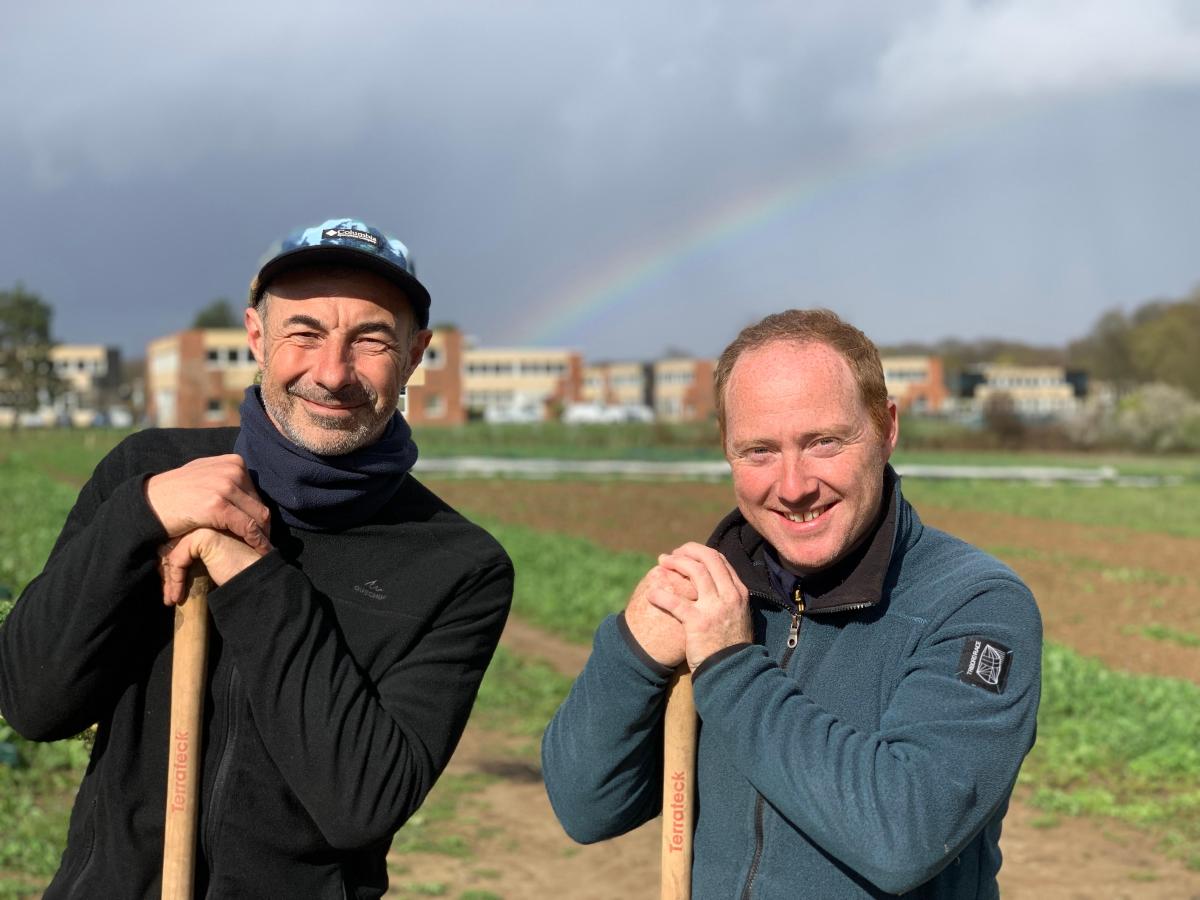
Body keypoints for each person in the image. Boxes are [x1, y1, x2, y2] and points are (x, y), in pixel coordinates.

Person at [0, 218, 514, 899]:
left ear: (416, 353)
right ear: (255, 335)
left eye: (371, 340)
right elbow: (33, 704)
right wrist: (138, 514)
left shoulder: (457, 565)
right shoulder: (147, 470)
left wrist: (253, 574)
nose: (332, 373)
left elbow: (361, 803)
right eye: (304, 332)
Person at [541, 309, 1041, 898]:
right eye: (759, 450)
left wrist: (732, 671)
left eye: (823, 442)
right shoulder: (718, 596)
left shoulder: (973, 604)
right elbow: (587, 807)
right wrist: (631, 654)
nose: (794, 484)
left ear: (886, 430)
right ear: (725, 450)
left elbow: (907, 836)